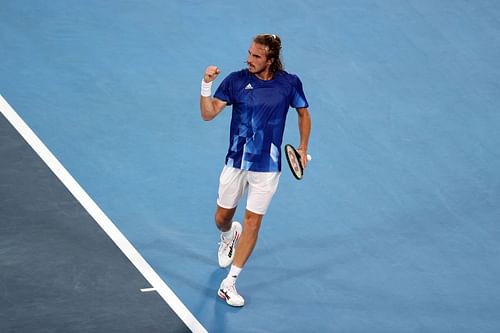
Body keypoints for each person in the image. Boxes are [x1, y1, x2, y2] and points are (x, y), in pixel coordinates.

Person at [199, 34, 311, 307]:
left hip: (268, 167)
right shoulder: (236, 80)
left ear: (270, 60)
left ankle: (230, 283)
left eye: (256, 56)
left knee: (253, 221)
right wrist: (206, 84)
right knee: (222, 218)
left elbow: (303, 112)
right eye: (249, 53)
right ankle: (228, 235)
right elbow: (208, 113)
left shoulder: (289, 83)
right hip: (236, 161)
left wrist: (302, 146)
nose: (249, 59)